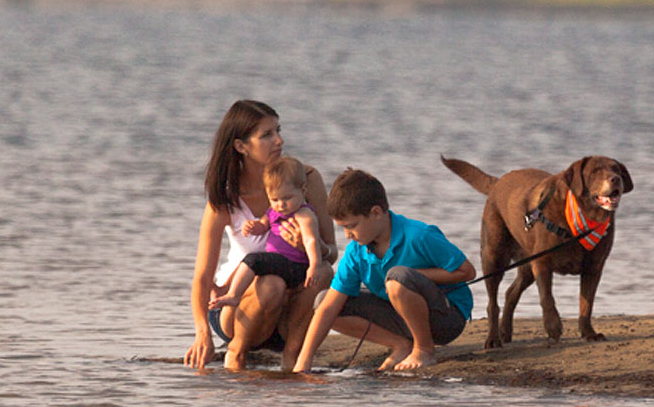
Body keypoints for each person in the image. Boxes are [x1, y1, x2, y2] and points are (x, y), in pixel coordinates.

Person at [186, 100, 336, 371]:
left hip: (291, 310)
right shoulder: (226, 198)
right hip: (240, 308)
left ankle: (293, 358)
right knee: (271, 284)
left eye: (278, 130)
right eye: (266, 135)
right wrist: (201, 334)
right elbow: (202, 277)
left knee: (325, 273)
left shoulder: (307, 179)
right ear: (241, 146)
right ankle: (237, 351)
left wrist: (312, 247)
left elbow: (332, 252)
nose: (279, 140)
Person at [293, 168, 476, 372]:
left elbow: (467, 272)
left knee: (397, 277)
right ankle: (401, 345)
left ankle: (424, 349)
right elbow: (329, 308)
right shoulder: (356, 250)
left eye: (351, 226)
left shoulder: (419, 235)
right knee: (323, 302)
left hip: (446, 318)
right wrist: (303, 364)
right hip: (399, 315)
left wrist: (413, 277)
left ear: (376, 213)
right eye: (342, 228)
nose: (347, 235)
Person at [209, 157, 327, 312]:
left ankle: (233, 295)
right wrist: (252, 226)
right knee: (254, 264)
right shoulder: (274, 212)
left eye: (287, 198)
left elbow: (310, 240)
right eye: (275, 199)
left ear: (303, 190)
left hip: (294, 265)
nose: (281, 204)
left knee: (252, 260)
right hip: (278, 264)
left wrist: (314, 265)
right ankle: (232, 293)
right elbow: (263, 226)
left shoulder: (303, 214)